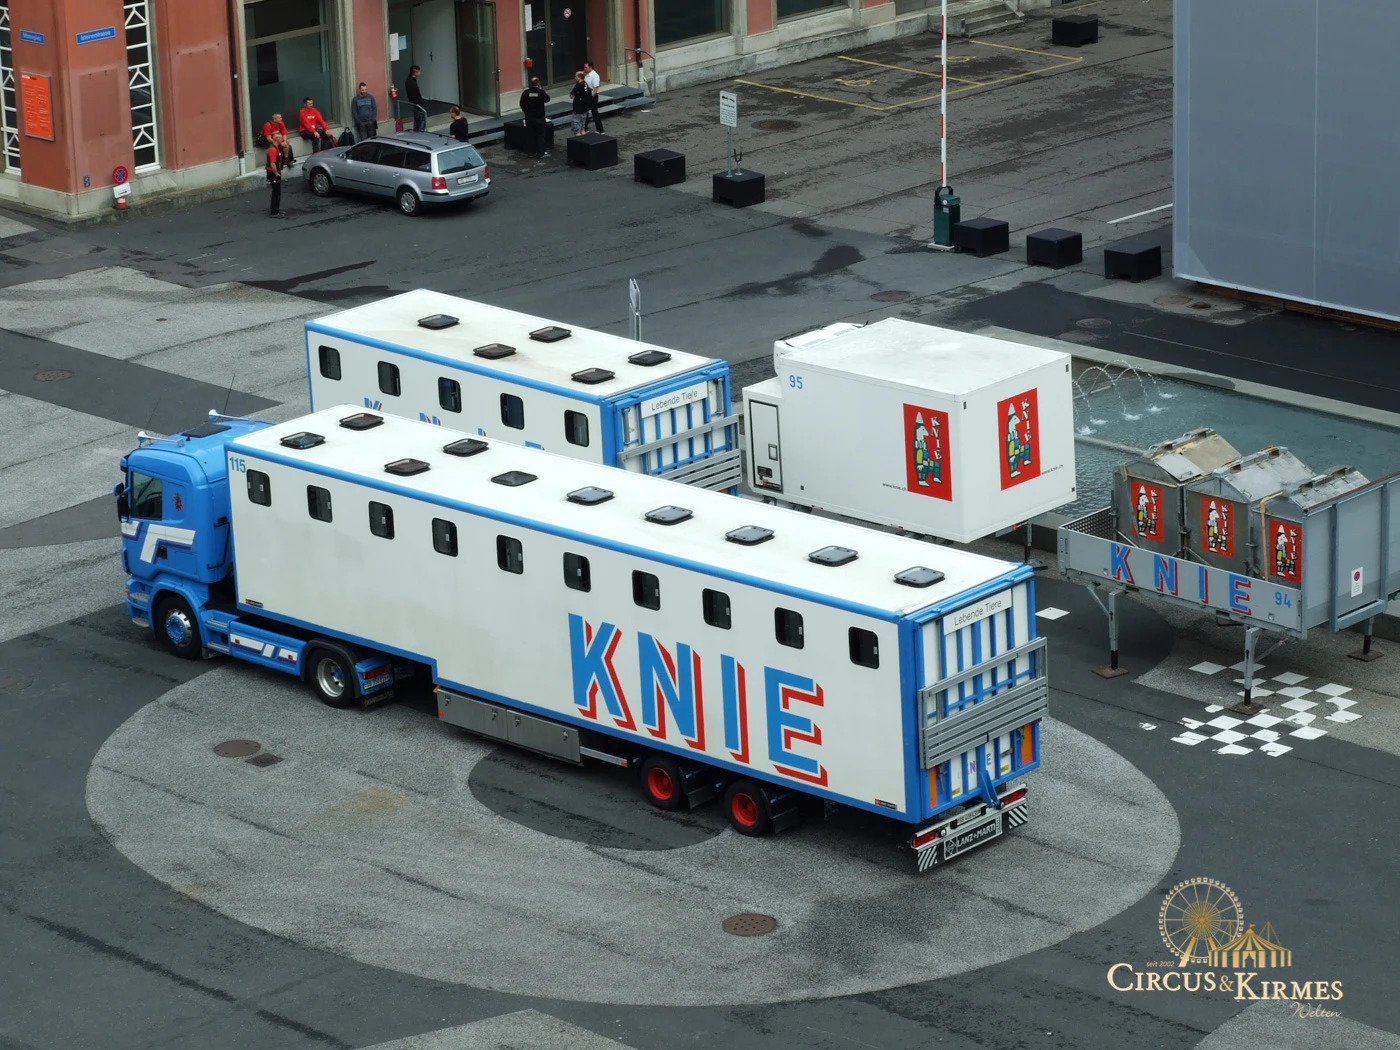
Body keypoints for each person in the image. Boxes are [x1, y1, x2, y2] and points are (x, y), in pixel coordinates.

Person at [519, 77, 550, 158]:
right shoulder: (541, 92)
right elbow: (547, 99)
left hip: (529, 118)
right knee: (540, 136)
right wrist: (541, 90)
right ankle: (540, 153)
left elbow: (521, 104)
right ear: (538, 83)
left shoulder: (526, 93)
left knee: (530, 135)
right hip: (540, 117)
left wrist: (526, 112)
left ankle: (530, 152)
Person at [266, 132, 285, 217]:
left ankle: (276, 210)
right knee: (276, 192)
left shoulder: (276, 148)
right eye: (281, 138)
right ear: (277, 139)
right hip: (273, 173)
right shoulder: (273, 150)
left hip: (275, 172)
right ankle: (274, 212)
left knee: (277, 192)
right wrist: (277, 173)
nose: (282, 139)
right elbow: (272, 163)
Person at [582, 60, 603, 133]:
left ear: (590, 67)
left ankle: (600, 129)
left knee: (594, 113)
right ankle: (585, 128)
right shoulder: (587, 74)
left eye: (586, 67)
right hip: (587, 95)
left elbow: (596, 88)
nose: (584, 69)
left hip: (592, 96)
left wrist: (591, 97)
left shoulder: (595, 76)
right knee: (585, 112)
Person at [405, 64, 426, 132]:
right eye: (419, 71)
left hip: (415, 103)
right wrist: (420, 104)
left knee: (418, 119)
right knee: (420, 119)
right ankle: (419, 131)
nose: (420, 73)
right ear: (415, 72)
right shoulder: (411, 82)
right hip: (416, 103)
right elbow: (414, 94)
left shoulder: (409, 80)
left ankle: (417, 130)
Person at [569, 71, 589, 136]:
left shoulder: (578, 85)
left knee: (576, 122)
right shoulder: (585, 84)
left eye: (576, 76)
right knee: (583, 123)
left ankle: (578, 135)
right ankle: (583, 134)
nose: (575, 78)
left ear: (579, 77)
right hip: (585, 106)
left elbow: (571, 96)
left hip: (578, 107)